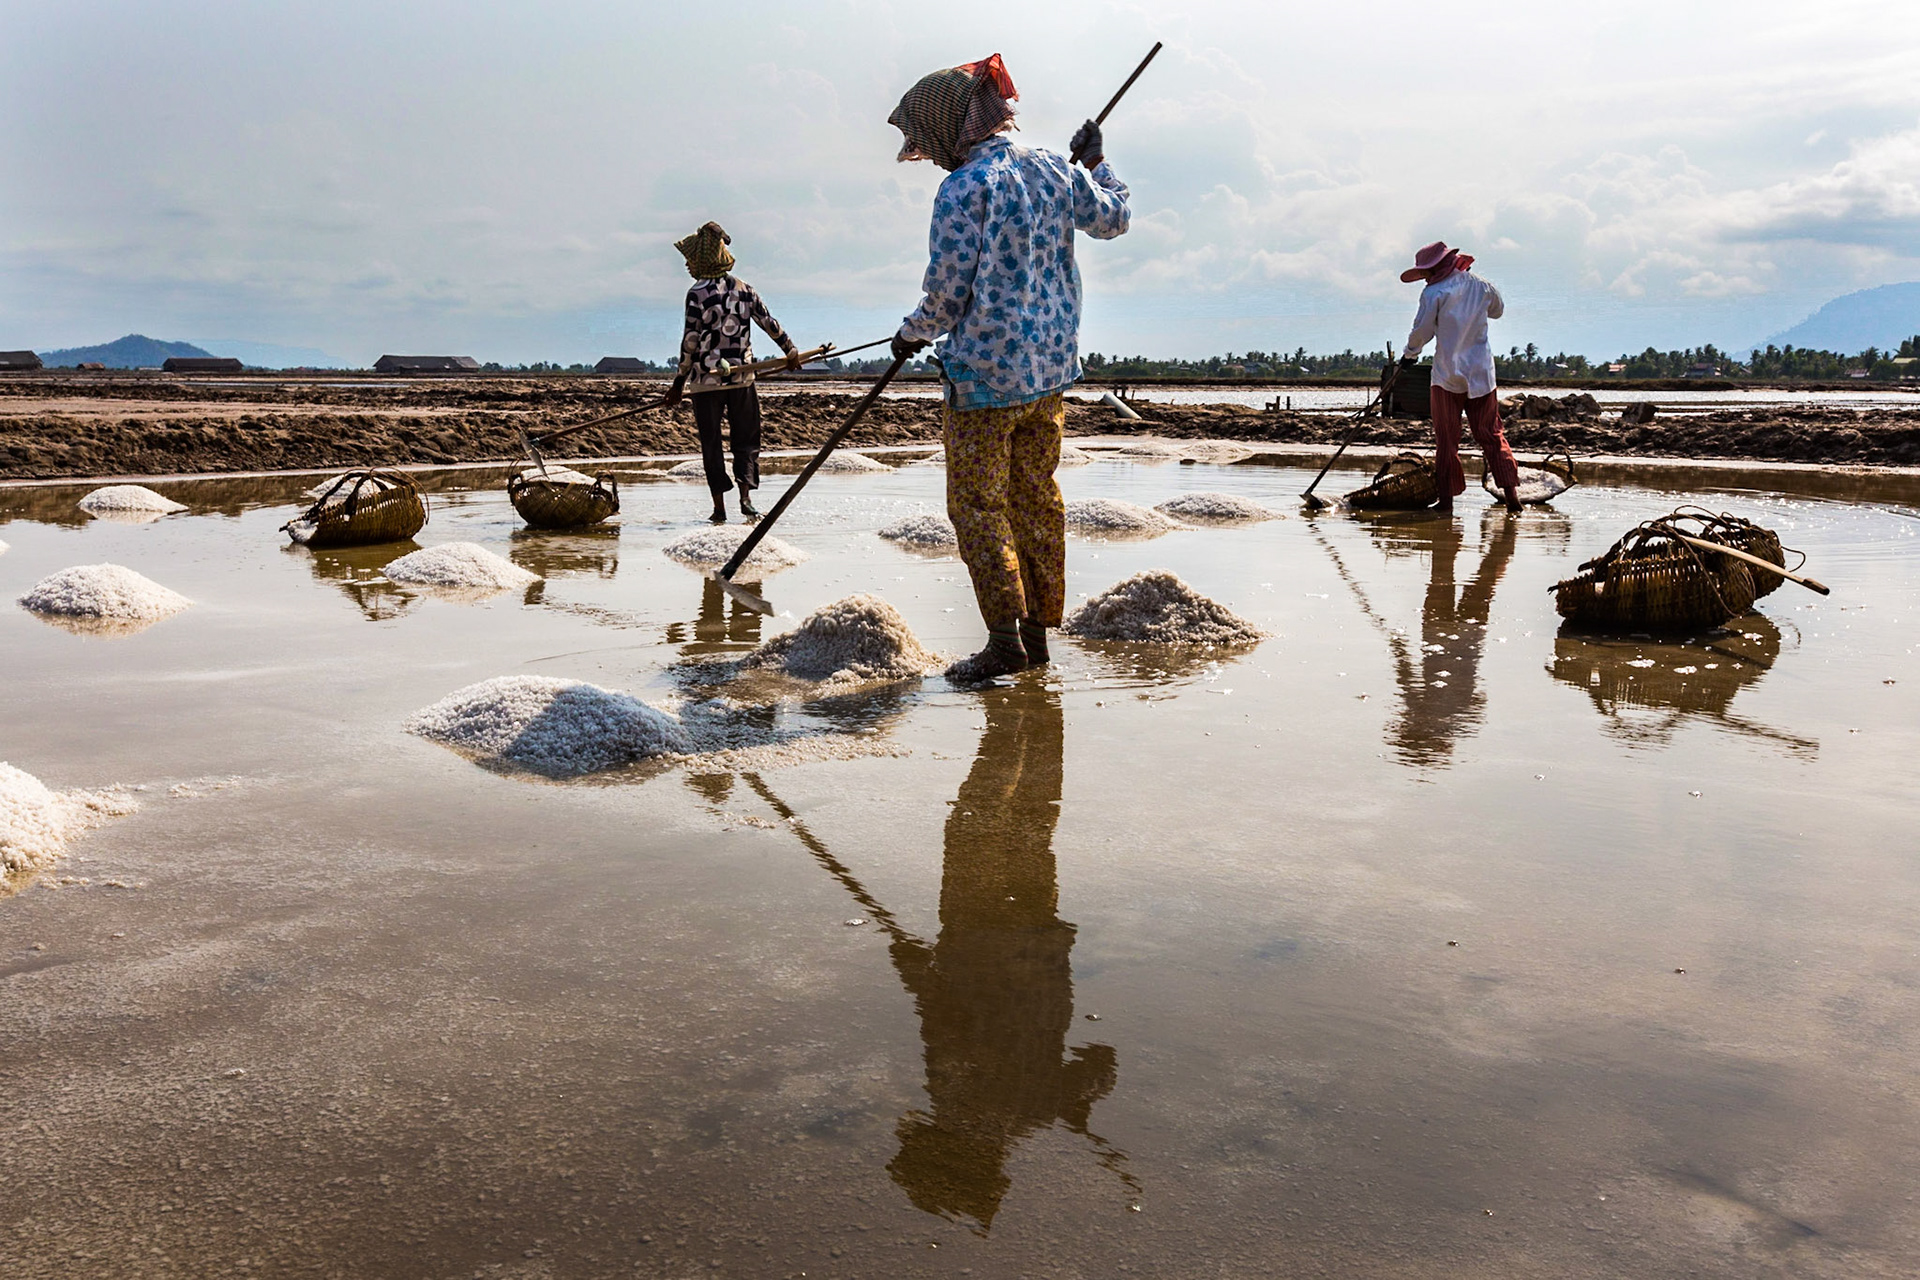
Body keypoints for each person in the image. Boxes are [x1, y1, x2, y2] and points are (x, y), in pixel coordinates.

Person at [887, 53, 1131, 680]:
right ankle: (1037, 637)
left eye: (926, 137)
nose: (927, 152)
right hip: (1048, 376)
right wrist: (1099, 161)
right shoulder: (1053, 167)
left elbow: (948, 293)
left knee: (978, 508)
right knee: (1036, 499)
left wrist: (909, 335)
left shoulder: (963, 189)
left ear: (947, 129)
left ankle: (1004, 644)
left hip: (984, 380)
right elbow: (1114, 217)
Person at [666, 221, 804, 523]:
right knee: (746, 439)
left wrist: (678, 382)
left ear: (702, 260)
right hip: (742, 377)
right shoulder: (744, 289)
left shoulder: (696, 294)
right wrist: (790, 352)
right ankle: (745, 498)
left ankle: (719, 508)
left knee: (711, 444)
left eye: (690, 260)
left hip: (706, 381)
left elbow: (690, 341)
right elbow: (769, 322)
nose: (688, 266)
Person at [1398, 241, 1523, 514]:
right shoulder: (1482, 286)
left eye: (1427, 273)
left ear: (1436, 269)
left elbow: (1422, 331)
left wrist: (1409, 355)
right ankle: (1512, 497)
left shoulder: (1434, 293)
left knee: (1446, 440)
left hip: (1446, 377)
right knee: (1491, 434)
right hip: (1481, 375)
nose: (1427, 278)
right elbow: (1497, 310)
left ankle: (1446, 503)